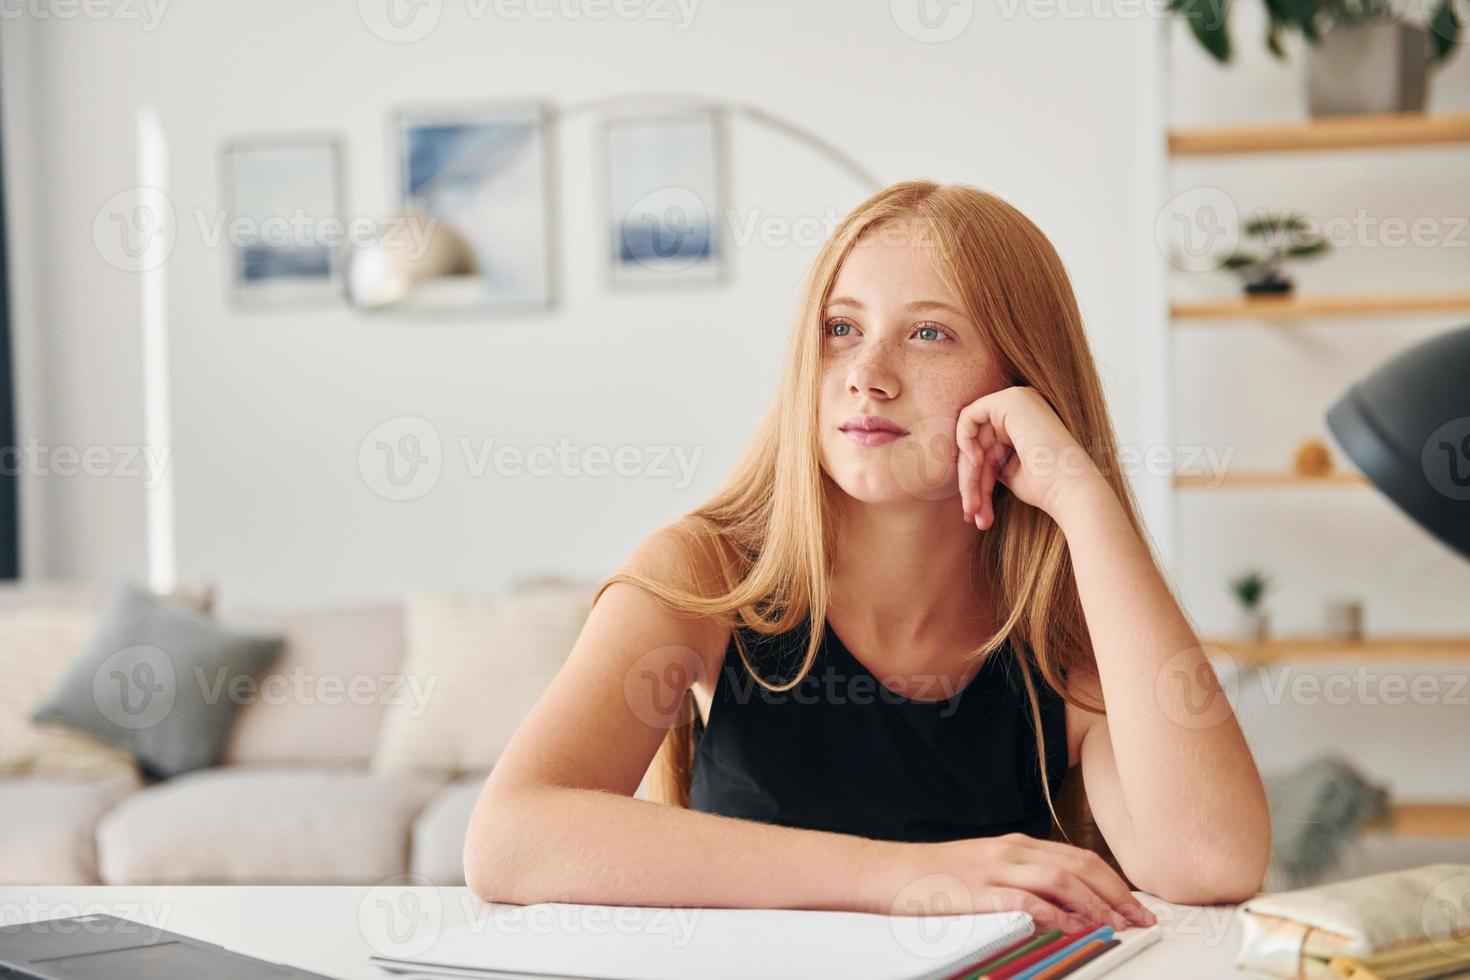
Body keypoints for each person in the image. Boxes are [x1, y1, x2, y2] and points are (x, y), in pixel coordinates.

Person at [464, 180, 1270, 929]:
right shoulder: (705, 572)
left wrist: (1082, 499)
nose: (867, 376)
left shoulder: (1060, 631)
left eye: (928, 334)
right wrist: (908, 880)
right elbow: (510, 837)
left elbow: (1209, 861)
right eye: (841, 329)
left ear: (1019, 378)